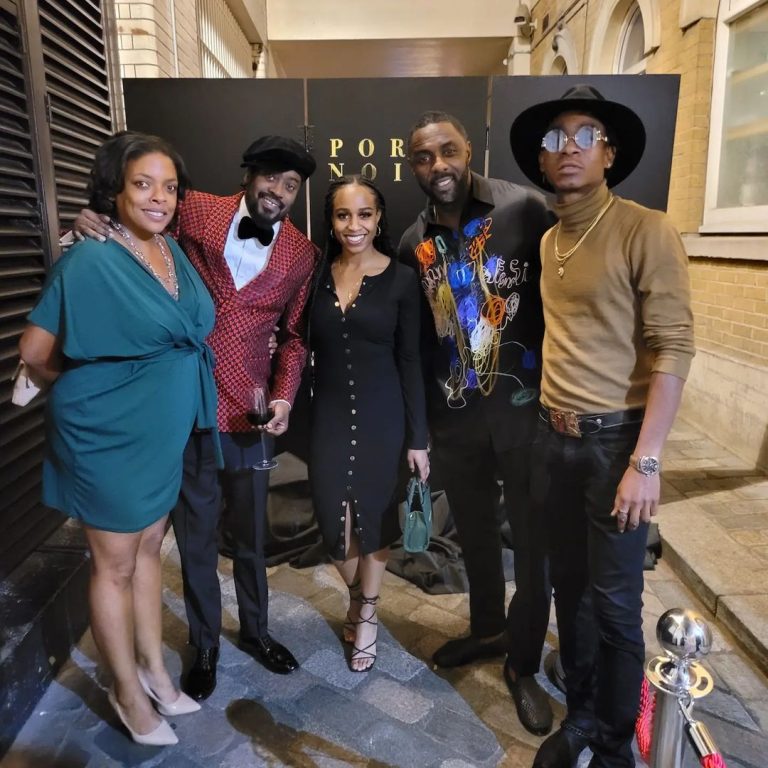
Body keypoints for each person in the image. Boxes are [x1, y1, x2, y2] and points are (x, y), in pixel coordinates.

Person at [73, 135, 319, 700]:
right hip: (184, 407)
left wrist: (284, 397)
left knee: (252, 536)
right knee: (196, 538)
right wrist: (91, 220)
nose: (277, 191)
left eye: (290, 185)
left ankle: (256, 631)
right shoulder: (196, 210)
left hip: (251, 417)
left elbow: (294, 338)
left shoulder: (302, 254)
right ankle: (205, 643)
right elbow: (140, 229)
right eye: (270, 177)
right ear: (247, 175)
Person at [509, 85, 695, 767]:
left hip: (615, 442)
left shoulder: (646, 229)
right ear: (541, 158)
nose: (568, 149)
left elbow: (674, 346)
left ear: (609, 153)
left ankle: (616, 747)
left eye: (585, 135)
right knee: (570, 590)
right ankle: (584, 718)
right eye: (554, 139)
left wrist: (647, 460)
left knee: (615, 605)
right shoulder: (552, 238)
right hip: (552, 437)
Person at [20, 131, 217, 745]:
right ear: (115, 190)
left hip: (161, 433)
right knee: (114, 564)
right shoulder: (90, 257)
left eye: (170, 187)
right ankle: (125, 691)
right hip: (106, 435)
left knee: (150, 548)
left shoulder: (170, 249)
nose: (159, 198)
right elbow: (35, 352)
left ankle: (154, 670)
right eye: (143, 184)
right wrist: (96, 386)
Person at [398, 111, 554, 735]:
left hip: (524, 412)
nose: (437, 165)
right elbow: (419, 343)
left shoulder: (525, 210)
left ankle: (524, 662)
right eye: (423, 156)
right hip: (455, 418)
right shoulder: (412, 242)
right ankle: (487, 628)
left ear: (469, 150)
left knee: (534, 546)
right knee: (476, 534)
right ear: (412, 166)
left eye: (448, 151)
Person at [309, 176, 429, 672]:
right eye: (343, 214)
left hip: (385, 415)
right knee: (332, 521)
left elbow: (411, 361)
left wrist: (418, 438)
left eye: (364, 214)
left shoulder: (402, 280)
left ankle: (368, 616)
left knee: (374, 517)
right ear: (332, 220)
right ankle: (361, 599)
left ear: (379, 219)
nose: (353, 225)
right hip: (328, 414)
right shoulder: (316, 273)